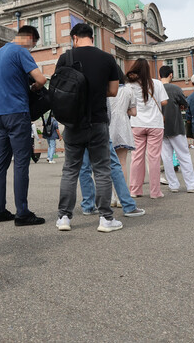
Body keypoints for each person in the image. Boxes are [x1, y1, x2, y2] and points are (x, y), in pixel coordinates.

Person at [56, 23, 123, 233]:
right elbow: (113, 91)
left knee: (70, 170)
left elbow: (60, 90)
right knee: (102, 170)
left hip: (73, 122)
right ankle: (105, 219)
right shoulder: (106, 58)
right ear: (91, 37)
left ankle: (64, 218)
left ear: (75, 38)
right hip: (97, 121)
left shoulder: (65, 58)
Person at [0, 26, 47, 226]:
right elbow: (41, 78)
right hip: (18, 113)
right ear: (29, 38)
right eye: (34, 44)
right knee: (21, 162)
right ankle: (22, 212)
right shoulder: (20, 51)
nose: (32, 48)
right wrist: (35, 86)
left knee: (1, 162)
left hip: (1, 115)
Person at [126, 58, 168, 198]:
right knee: (154, 158)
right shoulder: (156, 83)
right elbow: (164, 102)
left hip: (137, 123)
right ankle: (155, 191)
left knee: (136, 157)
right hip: (155, 124)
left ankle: (135, 190)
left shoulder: (130, 85)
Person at [158, 66, 194, 192]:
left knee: (166, 157)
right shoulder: (175, 88)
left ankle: (173, 185)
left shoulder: (155, 88)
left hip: (160, 127)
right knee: (184, 156)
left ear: (160, 76)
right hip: (176, 125)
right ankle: (191, 185)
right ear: (171, 75)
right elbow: (185, 103)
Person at [108, 70, 137, 190]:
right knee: (122, 162)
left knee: (107, 164)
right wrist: (124, 110)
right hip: (123, 126)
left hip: (108, 126)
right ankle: (122, 196)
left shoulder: (106, 90)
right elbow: (134, 112)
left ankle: (111, 197)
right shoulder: (129, 90)